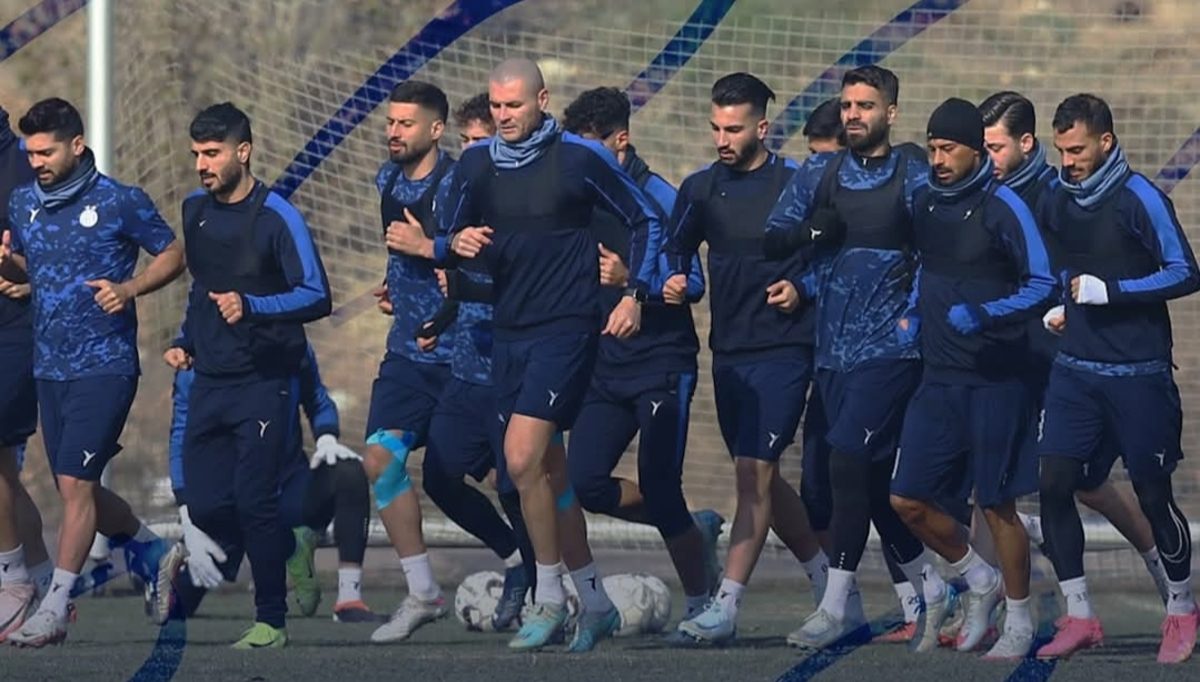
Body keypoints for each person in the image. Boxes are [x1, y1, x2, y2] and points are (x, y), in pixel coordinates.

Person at [437, 57, 657, 652]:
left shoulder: (580, 159)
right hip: (509, 335)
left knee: (518, 457)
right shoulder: (478, 162)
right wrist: (452, 243)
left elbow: (646, 219)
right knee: (548, 478)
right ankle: (597, 600)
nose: (504, 116)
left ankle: (549, 597)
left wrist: (635, 292)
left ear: (542, 100)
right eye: (497, 105)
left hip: (567, 332)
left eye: (514, 105)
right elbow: (449, 233)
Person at [763, 65, 945, 650]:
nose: (854, 115)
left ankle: (835, 605)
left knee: (847, 460)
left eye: (866, 106)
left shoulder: (914, 173)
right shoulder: (823, 170)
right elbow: (777, 236)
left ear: (890, 112)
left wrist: (912, 317)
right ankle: (942, 583)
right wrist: (814, 239)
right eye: (847, 105)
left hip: (891, 348)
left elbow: (936, 253)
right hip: (832, 351)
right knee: (852, 481)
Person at [4, 98, 185, 647]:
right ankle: (151, 550)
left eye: (47, 151)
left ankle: (54, 606)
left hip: (105, 365)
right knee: (69, 486)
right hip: (49, 366)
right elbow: (41, 269)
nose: (36, 161)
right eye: (31, 152)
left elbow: (173, 253)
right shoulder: (22, 203)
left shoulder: (119, 201)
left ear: (76, 145)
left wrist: (129, 289)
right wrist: (14, 272)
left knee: (77, 486)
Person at [978, 90, 1170, 605]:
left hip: (1063, 354)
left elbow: (1074, 269)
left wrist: (1073, 305)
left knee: (1087, 482)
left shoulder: (1054, 193)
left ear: (1024, 143)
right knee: (997, 481)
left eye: (995, 147)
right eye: (982, 147)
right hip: (1009, 352)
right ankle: (998, 600)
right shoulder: (985, 193)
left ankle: (1165, 572)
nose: (986, 158)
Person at [662, 73, 826, 647]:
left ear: (762, 127)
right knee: (762, 476)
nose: (722, 138)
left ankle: (724, 605)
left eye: (733, 128)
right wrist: (683, 283)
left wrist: (802, 288)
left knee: (752, 474)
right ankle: (832, 585)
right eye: (715, 128)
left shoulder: (797, 183)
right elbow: (676, 252)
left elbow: (830, 253)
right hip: (728, 351)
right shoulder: (700, 189)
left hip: (786, 350)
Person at [1035, 94, 1199, 664]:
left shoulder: (1141, 198)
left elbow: (1186, 272)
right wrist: (1062, 304)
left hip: (1139, 375)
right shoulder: (1058, 195)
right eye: (1061, 149)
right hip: (1075, 371)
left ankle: (1181, 609)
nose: (1068, 159)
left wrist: (1114, 292)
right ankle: (1080, 616)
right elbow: (1061, 259)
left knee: (1153, 494)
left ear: (1106, 141)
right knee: (1054, 482)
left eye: (1077, 148)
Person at [889, 97, 1055, 658]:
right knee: (906, 498)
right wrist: (913, 310)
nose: (937, 158)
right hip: (938, 377)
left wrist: (985, 314)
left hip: (997, 379)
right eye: (932, 148)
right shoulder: (924, 204)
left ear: (975, 151)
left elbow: (1042, 284)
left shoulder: (1004, 206)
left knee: (998, 506)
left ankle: (1020, 617)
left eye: (947, 149)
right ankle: (977, 580)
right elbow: (925, 269)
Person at [164, 102, 331, 649]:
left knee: (254, 499)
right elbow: (201, 289)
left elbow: (316, 295)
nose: (201, 165)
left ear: (244, 151)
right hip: (210, 380)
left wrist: (252, 306)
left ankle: (271, 621)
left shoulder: (279, 215)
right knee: (208, 503)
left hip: (265, 382)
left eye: (211, 154)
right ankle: (290, 543)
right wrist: (185, 342)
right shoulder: (194, 211)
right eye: (196, 155)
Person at [561, 86, 724, 631]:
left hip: (661, 363)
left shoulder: (664, 198)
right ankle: (690, 529)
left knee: (660, 483)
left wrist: (636, 284)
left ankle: (702, 604)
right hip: (603, 367)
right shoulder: (581, 200)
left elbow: (693, 285)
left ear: (621, 141)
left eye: (590, 148)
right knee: (583, 482)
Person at [156, 343, 377, 624]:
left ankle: (349, 599)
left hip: (285, 488)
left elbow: (317, 398)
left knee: (348, 473)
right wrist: (187, 510)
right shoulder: (195, 363)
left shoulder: (291, 343)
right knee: (173, 611)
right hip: (230, 500)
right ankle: (292, 547)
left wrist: (327, 437)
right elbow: (179, 436)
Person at [0, 105, 53, 641]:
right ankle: (43, 581)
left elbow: (70, 252)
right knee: (6, 475)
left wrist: (25, 274)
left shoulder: (24, 162)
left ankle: (12, 583)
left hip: (17, 331)